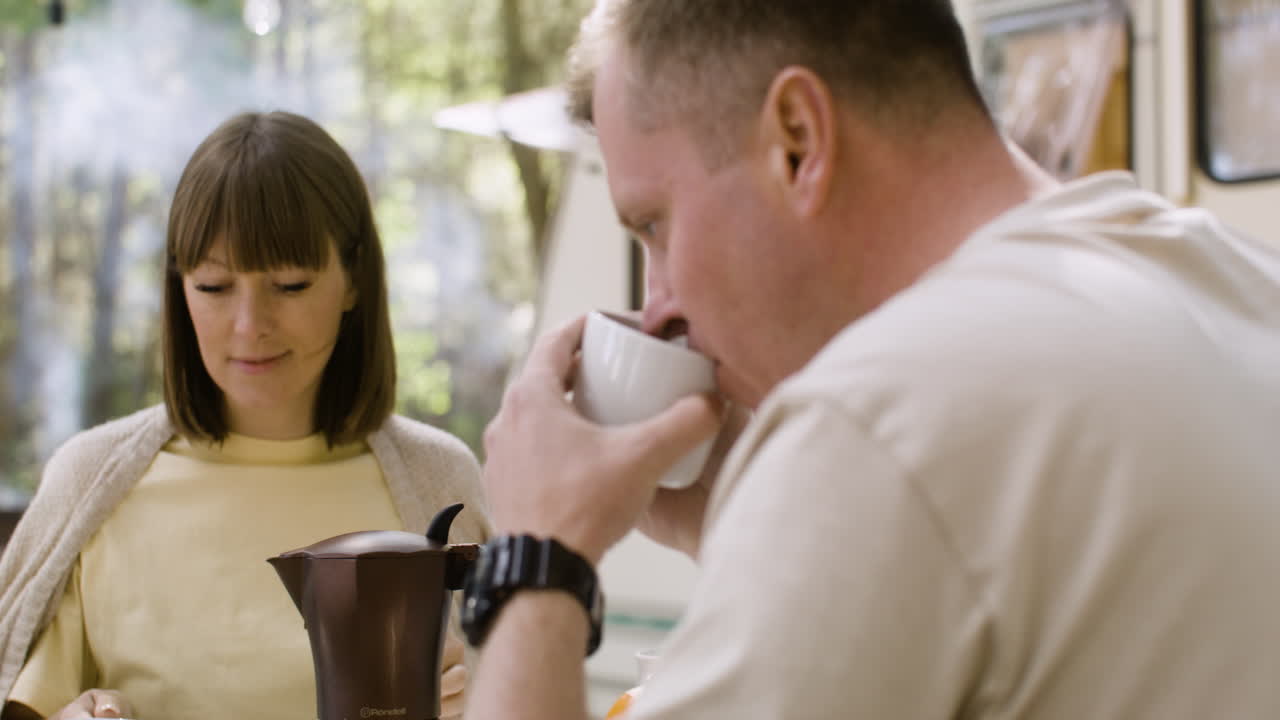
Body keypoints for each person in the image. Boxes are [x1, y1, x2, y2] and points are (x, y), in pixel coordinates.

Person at [464, 1, 1280, 718]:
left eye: (654, 226)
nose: (658, 305)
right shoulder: (1233, 279)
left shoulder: (881, 419)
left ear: (798, 141)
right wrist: (747, 535)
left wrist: (540, 555)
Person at [0, 111, 488, 720]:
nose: (250, 325)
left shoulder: (439, 483)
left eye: (289, 284)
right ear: (178, 288)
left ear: (355, 281)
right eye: (213, 286)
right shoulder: (91, 484)